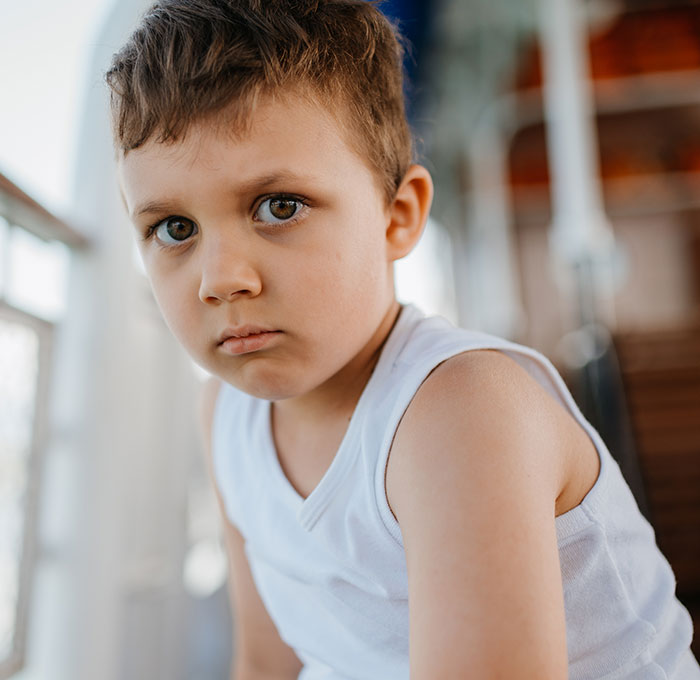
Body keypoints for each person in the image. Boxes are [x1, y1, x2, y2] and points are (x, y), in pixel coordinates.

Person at [107, 1, 699, 678]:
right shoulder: (226, 414)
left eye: (279, 207)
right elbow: (267, 663)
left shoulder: (460, 412)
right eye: (175, 229)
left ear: (398, 217)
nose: (221, 280)